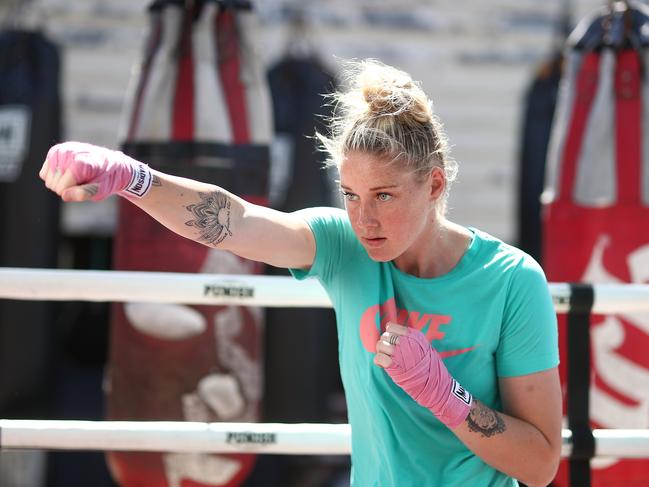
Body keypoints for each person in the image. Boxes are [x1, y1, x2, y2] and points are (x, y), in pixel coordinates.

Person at [40, 59, 562, 486]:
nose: (366, 219)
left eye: (384, 195)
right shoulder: (344, 245)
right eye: (352, 196)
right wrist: (133, 176)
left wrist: (448, 397)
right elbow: (236, 220)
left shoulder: (512, 280)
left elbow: (540, 465)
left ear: (434, 185)